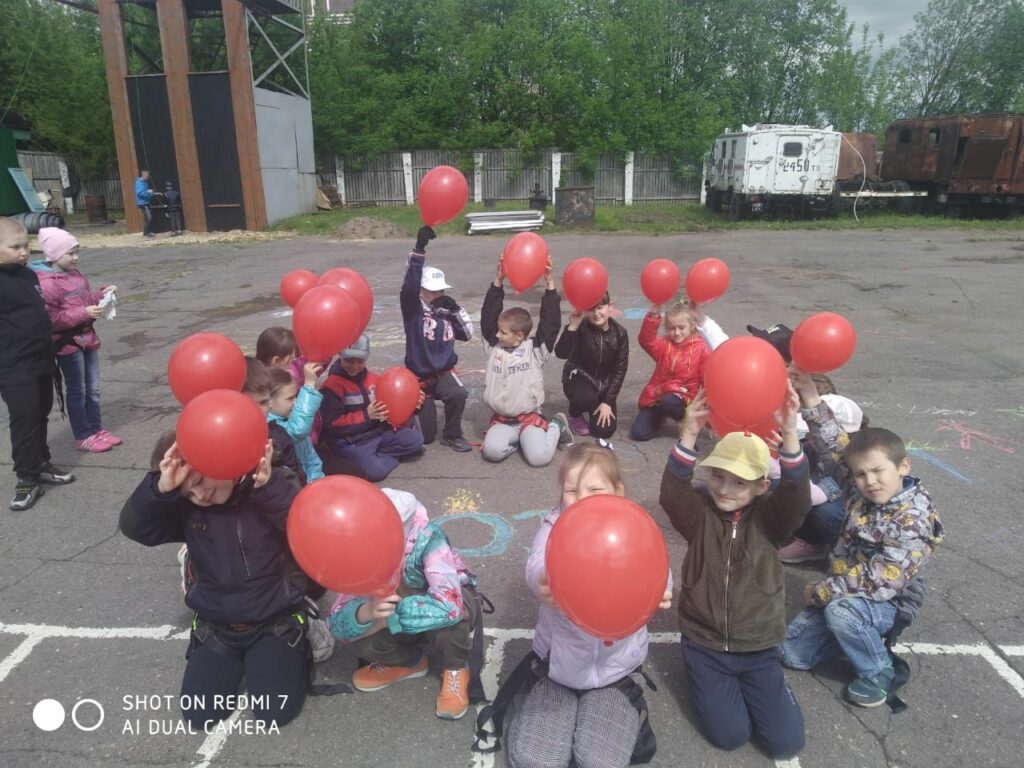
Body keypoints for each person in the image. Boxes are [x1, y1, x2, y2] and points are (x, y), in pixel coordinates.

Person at [120, 433, 316, 730]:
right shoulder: (188, 508)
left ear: (223, 461)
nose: (199, 495)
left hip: (273, 619)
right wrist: (159, 490)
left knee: (273, 714)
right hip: (218, 625)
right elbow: (136, 529)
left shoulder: (267, 485)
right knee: (198, 716)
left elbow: (305, 528)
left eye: (199, 481)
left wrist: (268, 489)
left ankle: (304, 630)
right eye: (187, 493)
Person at [498, 443, 671, 768]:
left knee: (600, 761)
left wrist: (663, 587)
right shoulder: (555, 527)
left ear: (617, 491)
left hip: (616, 672)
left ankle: (613, 706)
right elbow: (536, 562)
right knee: (535, 760)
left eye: (594, 489)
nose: (580, 499)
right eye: (571, 491)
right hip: (557, 669)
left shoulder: (632, 526)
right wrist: (544, 577)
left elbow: (656, 563)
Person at [659, 386, 809, 759]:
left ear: (762, 486)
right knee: (729, 735)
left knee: (786, 743)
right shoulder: (699, 513)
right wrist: (689, 434)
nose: (725, 489)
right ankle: (704, 677)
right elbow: (672, 495)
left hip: (758, 647)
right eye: (718, 476)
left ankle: (768, 687)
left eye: (740, 482)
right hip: (705, 645)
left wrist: (790, 435)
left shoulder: (771, 520)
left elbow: (797, 497)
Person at [780, 419, 943, 708]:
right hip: (847, 588)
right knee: (792, 655)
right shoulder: (863, 491)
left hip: (889, 603)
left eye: (878, 471)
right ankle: (850, 635)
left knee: (841, 612)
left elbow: (876, 580)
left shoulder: (911, 521)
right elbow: (836, 449)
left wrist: (821, 592)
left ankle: (878, 670)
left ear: (903, 466)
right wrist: (811, 401)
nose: (870, 481)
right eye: (861, 474)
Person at [327, 487, 478, 720]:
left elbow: (451, 605)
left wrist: (393, 616)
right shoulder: (361, 549)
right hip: (400, 609)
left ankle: (455, 668)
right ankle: (411, 662)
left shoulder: (430, 539)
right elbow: (337, 625)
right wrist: (366, 613)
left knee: (454, 623)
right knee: (365, 643)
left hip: (433, 605)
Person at [0, 218, 76, 510]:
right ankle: (26, 477)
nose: (23, 252)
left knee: (41, 413)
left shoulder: (28, 275)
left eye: (26, 246)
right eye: (15, 247)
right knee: (25, 419)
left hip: (41, 360)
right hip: (14, 366)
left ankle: (41, 462)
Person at [31, 227, 121, 453]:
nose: (76, 257)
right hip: (68, 345)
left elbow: (86, 301)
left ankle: (96, 429)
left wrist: (101, 295)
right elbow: (52, 320)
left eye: (76, 252)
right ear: (54, 254)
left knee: (93, 388)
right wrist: (84, 313)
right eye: (70, 253)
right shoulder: (47, 283)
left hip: (88, 338)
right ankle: (83, 435)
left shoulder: (75, 274)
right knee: (78, 390)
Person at [480, 254, 571, 466]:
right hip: (503, 422)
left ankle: (556, 425)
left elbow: (550, 324)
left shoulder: (535, 350)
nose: (497, 335)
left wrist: (550, 283)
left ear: (519, 336)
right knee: (492, 452)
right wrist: (498, 281)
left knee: (539, 458)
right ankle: (521, 441)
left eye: (503, 332)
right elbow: (488, 316)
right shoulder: (494, 346)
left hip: (530, 420)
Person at [779, 370, 867, 563]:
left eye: (813, 434)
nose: (807, 436)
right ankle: (809, 538)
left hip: (854, 529)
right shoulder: (815, 448)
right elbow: (825, 430)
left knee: (824, 511)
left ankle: (834, 546)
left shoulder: (854, 461)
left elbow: (827, 433)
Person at [401, 226, 474, 452]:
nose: (438, 295)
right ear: (421, 290)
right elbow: (408, 285)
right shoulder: (413, 310)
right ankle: (413, 413)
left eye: (441, 290)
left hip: (443, 373)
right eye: (433, 291)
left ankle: (453, 434)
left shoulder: (447, 310)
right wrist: (419, 249)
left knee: (458, 393)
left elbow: (468, 334)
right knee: (426, 437)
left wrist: (455, 309)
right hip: (419, 377)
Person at [320, 334, 424, 482]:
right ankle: (375, 459)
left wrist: (411, 404)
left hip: (378, 432)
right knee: (374, 472)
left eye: (360, 361)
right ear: (340, 356)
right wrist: (366, 415)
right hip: (353, 441)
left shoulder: (374, 379)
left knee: (415, 440)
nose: (355, 366)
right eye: (349, 360)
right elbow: (332, 424)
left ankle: (376, 456)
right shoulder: (332, 385)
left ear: (366, 358)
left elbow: (391, 409)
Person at [553, 292, 629, 450]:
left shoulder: (620, 333)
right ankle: (575, 413)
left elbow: (620, 370)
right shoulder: (581, 327)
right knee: (586, 398)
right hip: (580, 378)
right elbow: (561, 353)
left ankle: (596, 403)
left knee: (604, 431)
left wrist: (607, 402)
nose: (596, 313)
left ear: (610, 307)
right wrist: (572, 327)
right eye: (591, 308)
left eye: (600, 307)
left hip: (604, 386)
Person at [629, 300, 710, 442]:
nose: (676, 332)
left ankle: (684, 419)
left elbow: (707, 382)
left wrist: (706, 412)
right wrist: (653, 317)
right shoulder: (664, 345)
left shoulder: (702, 349)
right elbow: (646, 341)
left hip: (684, 398)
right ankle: (661, 416)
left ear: (692, 325)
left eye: (681, 327)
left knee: (669, 401)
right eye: (671, 328)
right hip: (658, 394)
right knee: (639, 434)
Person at [267, 365, 325, 483]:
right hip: (292, 486)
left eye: (296, 396)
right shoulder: (270, 426)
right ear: (269, 402)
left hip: (308, 481)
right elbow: (298, 430)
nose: (296, 402)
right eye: (290, 398)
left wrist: (316, 481)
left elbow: (311, 458)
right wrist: (309, 385)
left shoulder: (290, 418)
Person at [135, 170, 155, 239]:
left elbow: (146, 193)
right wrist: (148, 192)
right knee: (149, 218)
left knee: (147, 218)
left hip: (146, 202)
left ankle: (147, 233)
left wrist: (153, 193)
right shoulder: (139, 183)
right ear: (144, 175)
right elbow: (140, 193)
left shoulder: (145, 183)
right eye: (147, 176)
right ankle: (146, 235)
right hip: (143, 203)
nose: (148, 177)